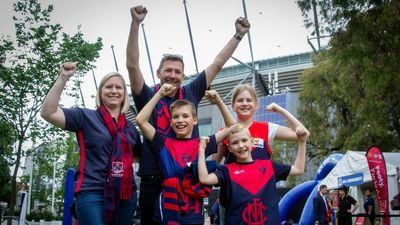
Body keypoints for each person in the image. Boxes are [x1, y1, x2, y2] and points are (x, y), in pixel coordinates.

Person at [126, 5, 250, 225]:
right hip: (154, 177)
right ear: (158, 73)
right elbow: (132, 65)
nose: (172, 75)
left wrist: (238, 35)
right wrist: (136, 24)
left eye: (177, 72)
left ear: (183, 75)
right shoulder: (148, 95)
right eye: (168, 71)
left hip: (188, 178)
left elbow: (217, 64)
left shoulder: (192, 91)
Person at [41, 62, 142, 225]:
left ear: (124, 93)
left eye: (119, 87)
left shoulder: (130, 128)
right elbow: (48, 113)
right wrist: (63, 77)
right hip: (92, 193)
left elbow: (137, 157)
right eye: (109, 87)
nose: (114, 91)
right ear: (101, 92)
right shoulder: (85, 117)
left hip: (125, 195)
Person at [136, 83, 236, 225]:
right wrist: (158, 95)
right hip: (167, 207)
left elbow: (232, 127)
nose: (180, 120)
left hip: (193, 210)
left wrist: (219, 102)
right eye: (175, 117)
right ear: (170, 122)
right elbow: (140, 120)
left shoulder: (202, 143)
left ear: (195, 120)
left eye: (185, 116)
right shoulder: (163, 143)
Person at [211, 85, 306, 224]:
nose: (244, 103)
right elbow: (214, 163)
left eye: (249, 100)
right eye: (240, 100)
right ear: (232, 105)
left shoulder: (265, 128)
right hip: (232, 200)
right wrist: (219, 143)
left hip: (262, 200)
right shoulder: (225, 131)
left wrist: (280, 110)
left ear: (256, 105)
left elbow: (301, 133)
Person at [197, 123, 309, 225]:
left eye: (244, 140)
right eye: (235, 143)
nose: (240, 145)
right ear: (230, 148)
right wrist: (201, 150)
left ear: (252, 141)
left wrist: (302, 141)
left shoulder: (269, 166)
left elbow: (298, 169)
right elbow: (204, 178)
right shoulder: (226, 171)